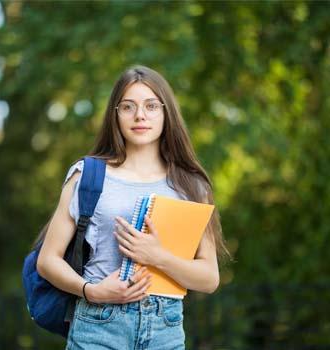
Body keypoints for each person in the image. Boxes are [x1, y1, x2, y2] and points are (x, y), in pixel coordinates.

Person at [37, 65, 229, 349]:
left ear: (166, 113)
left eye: (151, 106)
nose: (140, 115)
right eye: (128, 107)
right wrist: (92, 292)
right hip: (98, 325)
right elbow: (47, 261)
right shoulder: (87, 175)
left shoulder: (191, 185)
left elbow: (209, 278)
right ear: (115, 115)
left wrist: (156, 256)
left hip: (165, 329)